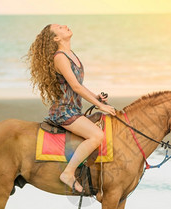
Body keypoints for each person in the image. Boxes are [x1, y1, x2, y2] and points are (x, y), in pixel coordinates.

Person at [27, 24, 116, 193]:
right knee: (97, 136)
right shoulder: (60, 57)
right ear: (56, 38)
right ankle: (68, 173)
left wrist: (96, 97)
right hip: (64, 112)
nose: (64, 26)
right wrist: (100, 106)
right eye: (59, 28)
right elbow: (76, 87)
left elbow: (78, 86)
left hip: (74, 109)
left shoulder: (71, 54)